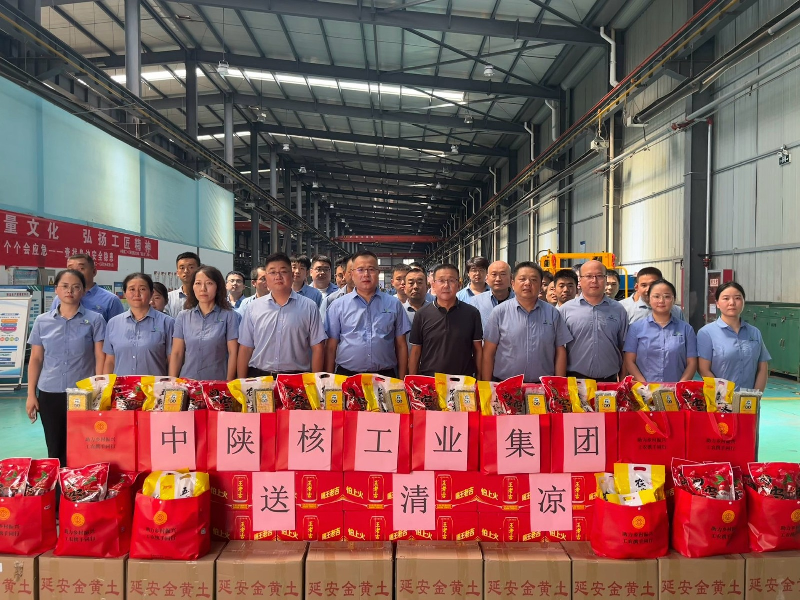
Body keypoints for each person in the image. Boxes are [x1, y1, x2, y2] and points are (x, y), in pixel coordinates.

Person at [26, 269, 106, 466]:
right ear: (56, 289)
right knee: (55, 446)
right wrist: (31, 394)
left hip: (83, 392)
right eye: (65, 286)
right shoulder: (42, 321)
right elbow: (36, 358)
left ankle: (82, 483)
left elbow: (100, 356)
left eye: (76, 287)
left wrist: (99, 390)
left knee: (84, 445)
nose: (70, 291)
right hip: (50, 392)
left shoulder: (95, 320)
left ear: (83, 291)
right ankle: (60, 484)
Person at [237, 253, 326, 377]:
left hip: (296, 378)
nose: (278, 276)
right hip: (259, 377)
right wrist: (241, 382)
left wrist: (316, 381)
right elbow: (245, 348)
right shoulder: (253, 307)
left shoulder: (309, 307)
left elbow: (317, 348)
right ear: (266, 277)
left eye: (283, 271)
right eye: (272, 272)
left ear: (292, 275)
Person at [324, 250, 410, 377]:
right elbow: (331, 347)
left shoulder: (394, 304)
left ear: (378, 273)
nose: (366, 274)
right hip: (347, 376)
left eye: (371, 269)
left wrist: (402, 380)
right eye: (360, 269)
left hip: (385, 376)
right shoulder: (338, 306)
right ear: (352, 274)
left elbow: (401, 345)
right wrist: (328, 380)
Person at [482, 262, 571, 383]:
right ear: (513, 283)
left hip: (543, 386)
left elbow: (560, 351)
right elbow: (488, 352)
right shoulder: (499, 312)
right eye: (522, 279)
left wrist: (558, 385)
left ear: (541, 285)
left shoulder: (553, 313)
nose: (528, 283)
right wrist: (487, 386)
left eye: (533, 280)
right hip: (505, 385)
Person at [558, 260, 628, 382]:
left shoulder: (618, 310)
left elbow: (624, 347)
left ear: (605, 279)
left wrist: (623, 380)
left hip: (609, 381)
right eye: (589, 276)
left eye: (599, 276)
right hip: (575, 381)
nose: (594, 281)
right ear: (580, 280)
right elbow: (559, 350)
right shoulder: (565, 310)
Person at [408, 264, 482, 377]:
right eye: (441, 281)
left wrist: (480, 378)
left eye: (451, 280)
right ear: (433, 285)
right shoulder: (422, 314)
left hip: (463, 380)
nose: (446, 285)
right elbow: (416, 351)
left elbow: (477, 349)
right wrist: (412, 380)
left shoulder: (472, 313)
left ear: (459, 285)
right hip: (430, 379)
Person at [169, 266, 240, 381]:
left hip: (217, 383)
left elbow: (233, 353)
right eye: (198, 283)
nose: (203, 288)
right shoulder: (183, 316)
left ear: (218, 287)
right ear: (192, 287)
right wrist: (172, 383)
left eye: (209, 283)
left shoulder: (229, 316)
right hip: (188, 383)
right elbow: (177, 353)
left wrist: (228, 383)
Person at [697, 282, 770, 391]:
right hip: (719, 398)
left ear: (743, 302)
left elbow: (762, 368)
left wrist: (755, 396)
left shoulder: (755, 333)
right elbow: (703, 369)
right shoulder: (706, 333)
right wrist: (723, 395)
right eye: (726, 298)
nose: (732, 303)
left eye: (737, 298)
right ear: (717, 303)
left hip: (748, 399)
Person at [623, 279, 698, 383]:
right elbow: (629, 361)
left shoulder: (686, 329)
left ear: (674, 299)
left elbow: (692, 363)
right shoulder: (636, 328)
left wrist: (679, 386)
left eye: (667, 296)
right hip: (644, 389)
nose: (661, 301)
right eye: (656, 296)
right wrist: (645, 385)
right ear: (649, 299)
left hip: (676, 389)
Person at [104, 273, 175, 376]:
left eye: (142, 289)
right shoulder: (113, 323)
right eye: (132, 289)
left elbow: (172, 359)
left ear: (151, 293)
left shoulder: (167, 322)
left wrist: (171, 382)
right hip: (121, 385)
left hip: (155, 385)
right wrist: (106, 384)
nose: (137, 294)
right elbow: (110, 361)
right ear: (125, 294)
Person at [50, 253, 124, 322]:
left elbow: (117, 328)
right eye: (70, 269)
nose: (75, 273)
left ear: (94, 271)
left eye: (81, 268)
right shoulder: (59, 298)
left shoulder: (111, 300)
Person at [619, 266, 685, 323]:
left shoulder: (676, 311)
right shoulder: (623, 309)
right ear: (637, 287)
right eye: (644, 285)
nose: (648, 289)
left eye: (653, 284)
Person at [470, 261, 514, 327]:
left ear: (511, 278)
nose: (498, 279)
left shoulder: (521, 301)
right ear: (487, 278)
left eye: (503, 274)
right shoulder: (475, 302)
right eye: (494, 274)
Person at [166, 252, 200, 317]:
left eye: (191, 267)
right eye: (182, 268)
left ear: (199, 270)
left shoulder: (204, 296)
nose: (186, 271)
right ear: (177, 272)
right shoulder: (169, 298)